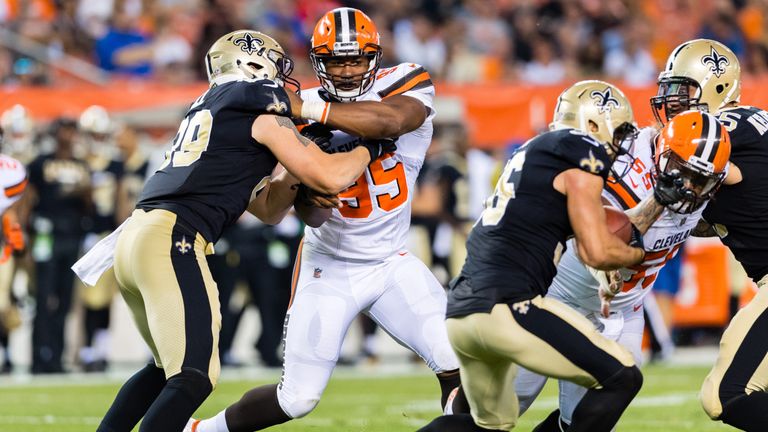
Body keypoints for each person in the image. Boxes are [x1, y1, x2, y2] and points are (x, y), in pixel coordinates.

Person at [74, 29, 393, 432]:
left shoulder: (214, 106)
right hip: (173, 238)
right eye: (276, 68)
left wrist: (296, 167)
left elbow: (269, 208)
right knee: (194, 376)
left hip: (139, 238)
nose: (282, 80)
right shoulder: (252, 100)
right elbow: (331, 178)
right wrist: (371, 146)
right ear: (253, 65)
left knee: (162, 372)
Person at [186, 8, 466, 432]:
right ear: (319, 61)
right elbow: (297, 212)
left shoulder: (399, 82)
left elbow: (391, 120)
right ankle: (199, 431)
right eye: (337, 60)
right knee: (297, 399)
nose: (349, 70)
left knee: (458, 364)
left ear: (374, 57)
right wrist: (304, 191)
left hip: (392, 261)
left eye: (356, 59)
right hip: (329, 266)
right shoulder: (294, 113)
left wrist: (304, 107)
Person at [418, 80, 690, 432]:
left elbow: (581, 235)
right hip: (509, 307)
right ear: (592, 125)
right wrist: (640, 253)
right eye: (620, 131)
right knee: (622, 377)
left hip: (462, 309)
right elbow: (598, 249)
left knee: (486, 426)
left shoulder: (533, 152)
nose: (622, 144)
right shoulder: (580, 149)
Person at [513, 110, 731, 431]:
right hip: (561, 296)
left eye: (701, 181)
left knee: (597, 408)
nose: (690, 187)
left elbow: (696, 221)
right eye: (682, 173)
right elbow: (598, 235)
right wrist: (654, 203)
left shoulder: (700, 185)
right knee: (502, 406)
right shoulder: (626, 162)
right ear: (662, 153)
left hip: (622, 309)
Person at [651, 38, 768, 431]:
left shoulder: (720, 133)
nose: (672, 103)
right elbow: (715, 210)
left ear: (716, 87)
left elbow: (696, 194)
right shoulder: (750, 125)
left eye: (683, 92)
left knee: (727, 393)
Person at [29, 117, 92, 374]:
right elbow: (30, 197)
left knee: (65, 300)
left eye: (72, 130)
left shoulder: (81, 164)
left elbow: (90, 204)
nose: (68, 135)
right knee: (44, 297)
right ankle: (39, 357)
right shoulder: (40, 162)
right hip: (46, 235)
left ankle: (56, 357)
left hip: (72, 235)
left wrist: (82, 192)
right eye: (64, 130)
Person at [78, 105, 124, 372]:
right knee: (86, 298)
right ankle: (86, 350)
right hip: (84, 233)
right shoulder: (78, 161)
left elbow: (119, 199)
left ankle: (100, 349)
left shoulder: (114, 163)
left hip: (106, 234)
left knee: (104, 297)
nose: (97, 139)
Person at [0, 125, 28, 374]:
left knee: (1, 302)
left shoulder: (11, 169)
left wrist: (15, 231)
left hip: (1, 246)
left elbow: (14, 209)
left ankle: (5, 352)